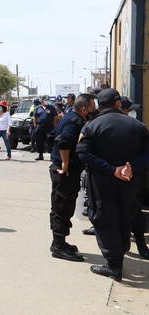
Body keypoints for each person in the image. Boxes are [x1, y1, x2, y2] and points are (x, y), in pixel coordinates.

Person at [76, 89, 149, 281]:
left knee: (104, 220)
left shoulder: (91, 126)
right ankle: (119, 257)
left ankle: (113, 266)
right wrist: (130, 168)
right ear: (118, 103)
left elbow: (83, 153)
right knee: (124, 217)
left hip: (102, 184)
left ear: (100, 105)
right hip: (128, 182)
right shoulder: (137, 126)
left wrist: (111, 169)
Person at [48, 94, 95, 262]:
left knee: (65, 206)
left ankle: (61, 242)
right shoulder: (74, 121)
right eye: (92, 107)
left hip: (64, 170)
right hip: (65, 172)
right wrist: (65, 164)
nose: (94, 110)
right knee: (62, 207)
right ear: (84, 109)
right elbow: (63, 142)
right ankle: (58, 246)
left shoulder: (69, 116)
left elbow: (53, 136)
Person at [119, 96, 149, 259]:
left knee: (135, 213)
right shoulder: (105, 126)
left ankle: (141, 246)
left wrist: (131, 169)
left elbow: (146, 154)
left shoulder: (139, 128)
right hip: (113, 177)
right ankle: (120, 250)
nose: (132, 113)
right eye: (129, 110)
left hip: (133, 178)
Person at [33, 95, 57, 161]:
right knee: (39, 142)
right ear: (42, 101)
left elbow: (55, 117)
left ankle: (52, 156)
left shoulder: (52, 108)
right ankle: (40, 155)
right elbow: (34, 118)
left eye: (48, 100)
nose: (47, 101)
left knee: (50, 142)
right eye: (46, 100)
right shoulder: (37, 108)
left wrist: (54, 126)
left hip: (49, 127)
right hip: (40, 127)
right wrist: (35, 126)